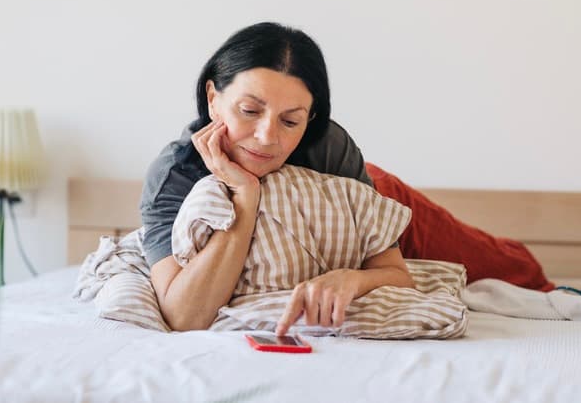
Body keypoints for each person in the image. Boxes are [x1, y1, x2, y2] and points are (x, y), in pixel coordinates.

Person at [140, 22, 414, 334]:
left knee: (481, 257)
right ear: (213, 98)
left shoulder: (329, 149)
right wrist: (245, 194)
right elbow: (185, 317)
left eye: (290, 120)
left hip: (398, 204)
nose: (267, 137)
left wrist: (352, 279)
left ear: (309, 119)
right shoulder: (175, 173)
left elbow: (398, 274)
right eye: (249, 111)